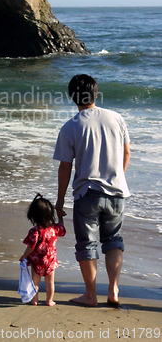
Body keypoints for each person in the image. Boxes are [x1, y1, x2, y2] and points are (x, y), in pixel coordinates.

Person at [54, 74, 131, 307]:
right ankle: (113, 289)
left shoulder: (71, 126)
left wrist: (59, 202)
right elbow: (127, 153)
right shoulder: (116, 118)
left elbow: (65, 167)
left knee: (86, 244)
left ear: (72, 98)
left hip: (87, 192)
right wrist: (118, 178)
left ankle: (90, 295)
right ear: (96, 94)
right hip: (117, 191)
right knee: (113, 239)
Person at [19, 193, 66, 306]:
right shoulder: (55, 229)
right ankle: (49, 300)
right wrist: (60, 217)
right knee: (50, 282)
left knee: (35, 282)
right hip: (50, 260)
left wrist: (24, 256)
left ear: (34, 216)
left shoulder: (35, 231)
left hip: (37, 261)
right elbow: (62, 229)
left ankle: (34, 300)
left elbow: (31, 246)